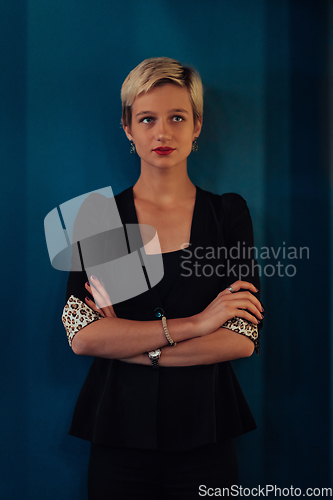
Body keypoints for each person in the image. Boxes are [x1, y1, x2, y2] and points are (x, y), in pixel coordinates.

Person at [62, 57, 264, 499]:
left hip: (206, 433)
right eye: (147, 118)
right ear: (127, 129)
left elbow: (241, 337)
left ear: (197, 126)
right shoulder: (100, 219)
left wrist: (131, 345)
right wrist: (197, 324)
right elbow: (83, 335)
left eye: (177, 117)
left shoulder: (228, 214)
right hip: (117, 433)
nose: (162, 132)